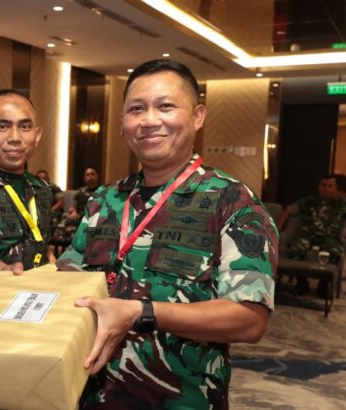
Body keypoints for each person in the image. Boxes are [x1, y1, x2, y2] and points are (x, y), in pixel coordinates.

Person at [56, 59, 277, 409]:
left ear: (198, 116)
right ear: (122, 123)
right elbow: (68, 272)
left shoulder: (232, 201)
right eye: (137, 109)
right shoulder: (105, 198)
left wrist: (141, 312)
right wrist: (24, 280)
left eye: (166, 106)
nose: (149, 120)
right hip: (88, 394)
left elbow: (249, 319)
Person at [0, 90, 54, 279]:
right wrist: (4, 273)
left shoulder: (42, 188)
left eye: (25, 127)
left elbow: (42, 243)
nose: (15, 137)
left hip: (38, 290)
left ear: (37, 136)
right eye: (2, 126)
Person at [278, 175, 346, 296]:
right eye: (323, 185)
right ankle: (302, 283)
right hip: (307, 236)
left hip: (330, 238)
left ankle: (323, 285)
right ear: (319, 187)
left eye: (330, 186)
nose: (326, 188)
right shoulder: (309, 201)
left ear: (335, 188)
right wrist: (277, 228)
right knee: (295, 251)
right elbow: (287, 211)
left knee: (335, 253)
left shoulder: (342, 204)